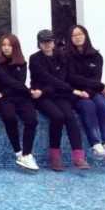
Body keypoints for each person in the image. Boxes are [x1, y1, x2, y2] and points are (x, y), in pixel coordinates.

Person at [29, 29, 90, 171]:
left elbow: (61, 79)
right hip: (41, 96)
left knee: (70, 117)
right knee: (57, 117)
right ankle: (55, 156)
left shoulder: (62, 57)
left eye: (49, 41)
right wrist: (72, 90)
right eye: (43, 42)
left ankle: (79, 157)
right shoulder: (35, 59)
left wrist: (64, 89)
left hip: (59, 94)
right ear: (39, 43)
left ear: (53, 42)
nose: (47, 44)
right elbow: (47, 78)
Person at [66, 25, 105, 160]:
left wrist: (90, 90)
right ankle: (95, 143)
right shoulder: (66, 56)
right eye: (74, 35)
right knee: (88, 105)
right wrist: (98, 86)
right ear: (70, 38)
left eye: (80, 34)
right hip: (75, 93)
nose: (77, 37)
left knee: (102, 103)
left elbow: (96, 78)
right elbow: (71, 78)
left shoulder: (96, 56)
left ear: (86, 35)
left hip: (91, 92)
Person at [0, 34, 40, 171]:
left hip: (20, 96)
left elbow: (18, 83)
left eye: (9, 45)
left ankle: (27, 154)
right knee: (10, 117)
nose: (6, 48)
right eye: (4, 45)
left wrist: (25, 91)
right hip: (3, 97)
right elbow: (5, 80)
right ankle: (18, 152)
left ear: (15, 47)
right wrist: (28, 90)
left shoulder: (22, 62)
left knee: (32, 120)